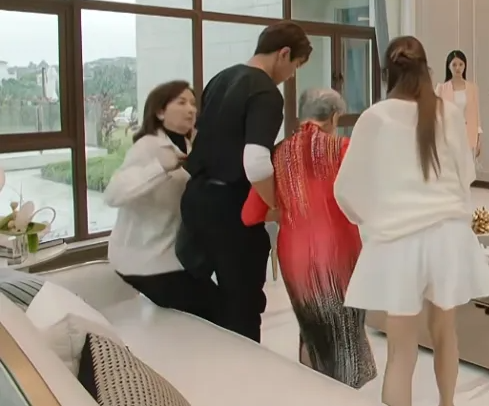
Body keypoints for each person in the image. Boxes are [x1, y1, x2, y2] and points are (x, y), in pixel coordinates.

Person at [335, 36, 489, 406]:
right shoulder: (448, 114)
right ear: (427, 69)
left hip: (398, 240)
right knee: (445, 334)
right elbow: (467, 174)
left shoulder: (374, 117)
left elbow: (346, 189)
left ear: (387, 74)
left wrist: (373, 221)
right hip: (448, 236)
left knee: (401, 352)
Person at [179, 21, 311, 342]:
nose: (291, 75)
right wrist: (275, 204)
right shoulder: (266, 93)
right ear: (283, 53)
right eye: (295, 66)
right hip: (231, 212)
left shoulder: (221, 78)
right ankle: (243, 371)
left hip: (196, 201)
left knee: (204, 304)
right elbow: (255, 161)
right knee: (243, 308)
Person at [239, 88, 376, 389]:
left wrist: (289, 208)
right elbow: (365, 198)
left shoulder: (278, 153)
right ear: (334, 117)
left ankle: (312, 391)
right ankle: (343, 394)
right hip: (339, 255)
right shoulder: (342, 147)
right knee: (345, 332)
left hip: (295, 258)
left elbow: (250, 215)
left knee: (311, 329)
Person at [105, 81, 218, 321]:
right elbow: (113, 194)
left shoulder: (189, 145)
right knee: (216, 312)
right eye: (181, 102)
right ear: (159, 111)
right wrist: (159, 168)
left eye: (193, 104)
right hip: (145, 260)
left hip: (172, 255)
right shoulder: (147, 146)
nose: (191, 109)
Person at [435, 50, 481, 157]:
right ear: (448, 66)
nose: (458, 68)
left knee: (468, 164)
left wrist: (479, 138)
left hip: (468, 134)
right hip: (449, 135)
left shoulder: (472, 88)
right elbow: (437, 116)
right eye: (454, 65)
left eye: (461, 64)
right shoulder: (441, 89)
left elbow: (477, 115)